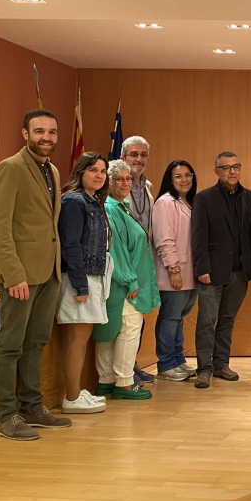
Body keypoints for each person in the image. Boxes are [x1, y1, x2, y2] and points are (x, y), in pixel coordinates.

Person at [0, 109, 72, 439]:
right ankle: (6, 416)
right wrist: (13, 274)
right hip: (20, 275)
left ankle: (33, 407)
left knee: (36, 342)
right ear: (25, 134)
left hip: (48, 272)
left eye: (51, 131)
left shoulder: (51, 169)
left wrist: (55, 269)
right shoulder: (9, 168)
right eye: (39, 131)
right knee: (10, 345)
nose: (46, 137)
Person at [91, 160, 161, 401]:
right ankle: (124, 382)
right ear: (108, 182)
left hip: (124, 282)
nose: (125, 183)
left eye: (128, 178)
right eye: (119, 179)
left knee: (113, 331)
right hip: (123, 284)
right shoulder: (110, 209)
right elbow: (115, 250)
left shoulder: (123, 206)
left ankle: (106, 381)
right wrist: (131, 281)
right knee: (128, 330)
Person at [190, 152, 251, 389]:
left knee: (227, 320)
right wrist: (201, 267)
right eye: (226, 167)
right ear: (216, 171)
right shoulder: (204, 198)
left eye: (236, 166)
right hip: (211, 272)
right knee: (207, 321)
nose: (232, 171)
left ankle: (221, 364)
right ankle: (204, 368)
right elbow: (197, 236)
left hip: (240, 273)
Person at [56, 152, 112, 414]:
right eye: (93, 170)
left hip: (93, 276)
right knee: (76, 341)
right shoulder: (74, 201)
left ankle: (76, 392)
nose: (99, 175)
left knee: (82, 338)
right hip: (79, 278)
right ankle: (71, 397)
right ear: (80, 172)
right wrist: (80, 284)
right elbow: (70, 245)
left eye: (102, 171)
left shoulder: (93, 201)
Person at [152, 160, 199, 382]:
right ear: (170, 180)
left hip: (191, 273)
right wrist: (173, 269)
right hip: (175, 272)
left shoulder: (187, 203)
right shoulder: (165, 202)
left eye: (188, 175)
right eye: (178, 176)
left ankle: (178, 359)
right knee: (170, 318)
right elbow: (164, 239)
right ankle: (166, 364)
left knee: (179, 318)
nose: (184, 180)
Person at [121, 135, 156, 385]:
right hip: (123, 258)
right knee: (124, 320)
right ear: (123, 157)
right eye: (134, 154)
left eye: (143, 155)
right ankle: (123, 371)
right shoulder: (116, 184)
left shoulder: (148, 187)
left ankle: (133, 364)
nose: (139, 159)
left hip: (142, 258)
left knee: (138, 316)